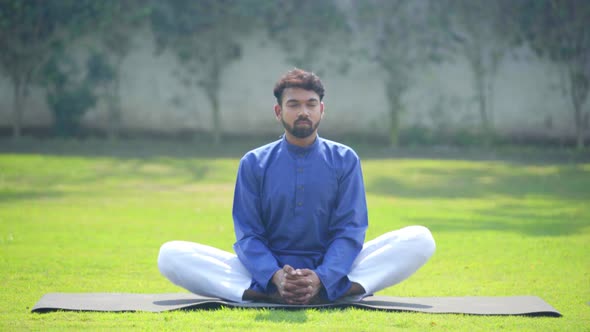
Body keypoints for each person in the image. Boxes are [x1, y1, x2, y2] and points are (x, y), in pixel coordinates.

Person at [158, 68, 435, 305]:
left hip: (333, 271)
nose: (303, 111)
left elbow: (350, 231)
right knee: (170, 254)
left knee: (420, 239)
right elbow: (248, 235)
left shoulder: (345, 159)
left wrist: (322, 276)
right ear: (278, 111)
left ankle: (325, 290)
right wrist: (276, 276)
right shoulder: (254, 162)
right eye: (294, 104)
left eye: (311, 104)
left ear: (322, 110)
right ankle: (276, 292)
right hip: (265, 273)